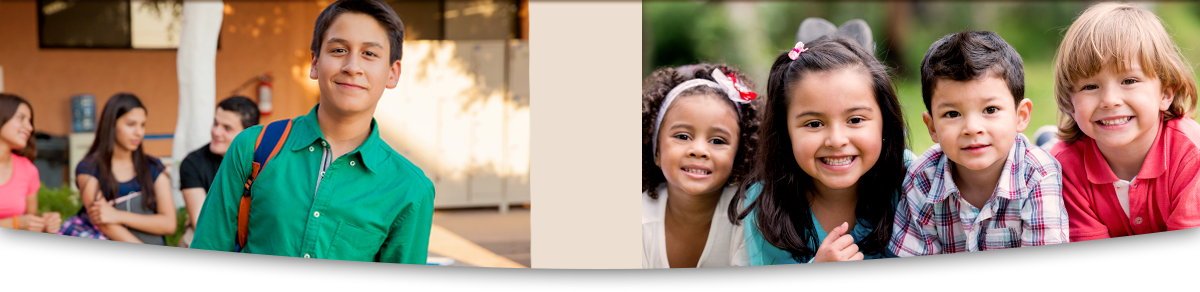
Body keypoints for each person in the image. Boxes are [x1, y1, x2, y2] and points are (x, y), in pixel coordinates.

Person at [190, 0, 436, 264]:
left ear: (393, 73)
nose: (352, 67)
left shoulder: (410, 189)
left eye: (370, 54)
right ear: (315, 62)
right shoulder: (253, 148)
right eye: (339, 49)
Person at [888, 31, 1068, 272]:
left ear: (1021, 116)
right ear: (932, 127)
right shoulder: (922, 179)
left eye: (990, 109)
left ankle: (1049, 139)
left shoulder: (1039, 173)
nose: (972, 128)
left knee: (1051, 151)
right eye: (952, 114)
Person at [734, 36, 914, 265]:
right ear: (784, 133)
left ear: (885, 124)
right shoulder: (766, 202)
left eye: (855, 119)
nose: (836, 140)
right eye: (814, 124)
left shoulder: (913, 180)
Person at [1049, 2, 1200, 271]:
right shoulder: (1062, 166)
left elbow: (1191, 251)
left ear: (1165, 93)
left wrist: (1134, 264)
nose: (1109, 100)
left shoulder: (1191, 152)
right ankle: (1046, 138)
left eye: (1129, 80)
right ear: (1069, 104)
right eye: (1090, 86)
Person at [641, 63, 759, 268]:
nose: (699, 150)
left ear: (739, 156)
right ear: (657, 151)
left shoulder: (747, 217)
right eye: (682, 136)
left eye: (717, 141)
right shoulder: (641, 219)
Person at [75, 93, 176, 271]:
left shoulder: (153, 168)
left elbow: (169, 224)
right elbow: (104, 223)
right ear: (112, 125)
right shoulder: (88, 168)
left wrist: (117, 215)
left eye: (142, 125)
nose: (139, 132)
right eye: (131, 124)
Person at [177, 96, 259, 248]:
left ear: (248, 134)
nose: (216, 132)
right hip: (208, 238)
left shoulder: (262, 161)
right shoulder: (193, 163)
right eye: (215, 123)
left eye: (226, 128)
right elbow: (202, 223)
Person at [0, 93, 62, 271]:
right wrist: (15, 224)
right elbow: (19, 223)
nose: (29, 127)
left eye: (30, 120)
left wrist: (45, 224)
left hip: (15, 262)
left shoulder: (27, 169)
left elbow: (29, 225)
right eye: (21, 118)